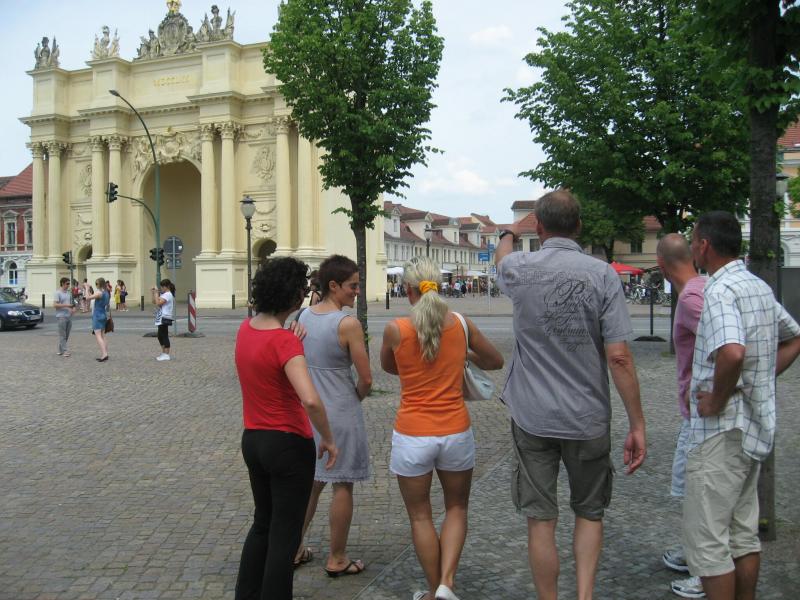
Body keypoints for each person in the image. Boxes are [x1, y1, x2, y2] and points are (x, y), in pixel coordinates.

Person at [494, 189, 647, 600]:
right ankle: (584, 596)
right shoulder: (603, 275)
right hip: (587, 415)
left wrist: (509, 233)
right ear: (578, 226)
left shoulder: (520, 269)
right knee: (589, 512)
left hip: (533, 416)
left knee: (541, 520)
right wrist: (637, 424)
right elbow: (619, 357)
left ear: (540, 227)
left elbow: (502, 258)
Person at [683, 211, 800, 600]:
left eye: (693, 240)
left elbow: (732, 352)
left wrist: (716, 399)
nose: (692, 247)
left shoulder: (718, 291)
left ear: (704, 246)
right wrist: (761, 376)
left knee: (709, 543)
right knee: (742, 534)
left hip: (722, 433)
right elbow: (794, 337)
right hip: (752, 429)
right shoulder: (756, 286)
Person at [380, 256, 503, 600]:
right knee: (456, 508)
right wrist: (463, 355)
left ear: (408, 291)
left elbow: (390, 367)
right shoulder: (461, 324)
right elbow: (495, 361)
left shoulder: (396, 329)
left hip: (412, 434)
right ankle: (448, 582)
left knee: (420, 517)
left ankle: (435, 591)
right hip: (455, 430)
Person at [234, 256, 338, 600]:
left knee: (262, 524)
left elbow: (266, 357)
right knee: (285, 534)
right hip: (288, 444)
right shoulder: (285, 342)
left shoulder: (245, 329)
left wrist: (290, 336)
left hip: (253, 440)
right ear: (293, 297)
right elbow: (310, 400)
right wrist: (328, 438)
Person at [295, 255, 372, 576]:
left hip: (309, 412)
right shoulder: (347, 324)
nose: (357, 291)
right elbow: (366, 378)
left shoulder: (303, 316)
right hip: (340, 410)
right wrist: (354, 399)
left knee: (310, 485)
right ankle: (337, 557)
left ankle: (294, 548)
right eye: (353, 286)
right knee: (342, 485)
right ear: (334, 285)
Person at [656, 233, 707, 599]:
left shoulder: (690, 298)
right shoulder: (701, 288)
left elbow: (727, 344)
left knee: (697, 491)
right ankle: (694, 553)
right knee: (692, 488)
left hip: (701, 413)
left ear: (661, 266)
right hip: (696, 410)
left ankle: (705, 571)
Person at [84, 277, 110, 362]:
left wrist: (86, 288)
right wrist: (89, 289)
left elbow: (87, 298)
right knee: (103, 335)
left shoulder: (99, 292)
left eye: (96, 284)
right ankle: (105, 353)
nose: (96, 285)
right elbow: (92, 297)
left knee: (98, 336)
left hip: (97, 315)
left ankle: (104, 354)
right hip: (103, 314)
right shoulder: (106, 292)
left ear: (99, 284)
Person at [152, 279, 176, 361]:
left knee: (164, 335)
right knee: (160, 336)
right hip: (161, 317)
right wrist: (153, 293)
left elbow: (158, 303)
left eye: (162, 287)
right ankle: (163, 353)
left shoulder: (168, 294)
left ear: (167, 286)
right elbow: (154, 301)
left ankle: (166, 354)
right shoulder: (164, 294)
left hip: (165, 317)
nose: (161, 288)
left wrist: (156, 293)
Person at [53, 277, 75, 357]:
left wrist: (73, 309)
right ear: (62, 283)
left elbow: (71, 304)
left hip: (68, 316)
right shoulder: (57, 293)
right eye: (67, 284)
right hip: (61, 316)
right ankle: (65, 351)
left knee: (66, 335)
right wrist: (67, 306)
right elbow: (55, 305)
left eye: (69, 284)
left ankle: (60, 350)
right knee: (63, 335)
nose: (68, 285)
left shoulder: (68, 293)